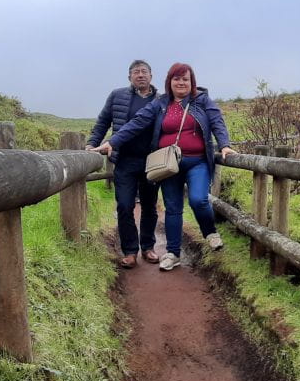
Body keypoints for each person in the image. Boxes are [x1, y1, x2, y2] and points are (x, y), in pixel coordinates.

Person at [93, 63, 237, 271]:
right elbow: (138, 122)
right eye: (176, 79)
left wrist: (224, 145)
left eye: (185, 79)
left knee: (198, 199)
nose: (181, 82)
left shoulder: (202, 100)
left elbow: (217, 122)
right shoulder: (161, 103)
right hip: (169, 164)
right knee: (172, 208)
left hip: (197, 161)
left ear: (192, 82)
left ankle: (209, 231)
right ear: (169, 82)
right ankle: (172, 253)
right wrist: (113, 141)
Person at [86, 60, 162, 269]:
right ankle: (130, 251)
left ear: (151, 75)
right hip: (125, 160)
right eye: (135, 72)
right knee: (124, 205)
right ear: (129, 77)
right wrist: (92, 144)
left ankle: (148, 247)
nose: (140, 75)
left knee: (149, 206)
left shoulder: (161, 100)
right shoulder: (117, 96)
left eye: (144, 71)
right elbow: (103, 122)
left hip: (152, 161)